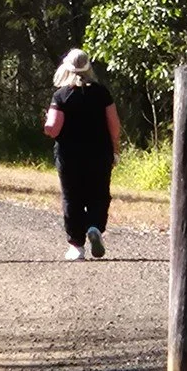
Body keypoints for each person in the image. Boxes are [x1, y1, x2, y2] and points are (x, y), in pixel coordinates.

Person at [43, 49, 120, 261]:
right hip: (100, 153)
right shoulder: (102, 93)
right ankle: (94, 226)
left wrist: (46, 124)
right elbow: (114, 126)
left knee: (72, 197)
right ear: (88, 67)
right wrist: (115, 149)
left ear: (66, 68)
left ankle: (76, 246)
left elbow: (53, 128)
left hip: (69, 156)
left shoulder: (61, 95)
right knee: (99, 194)